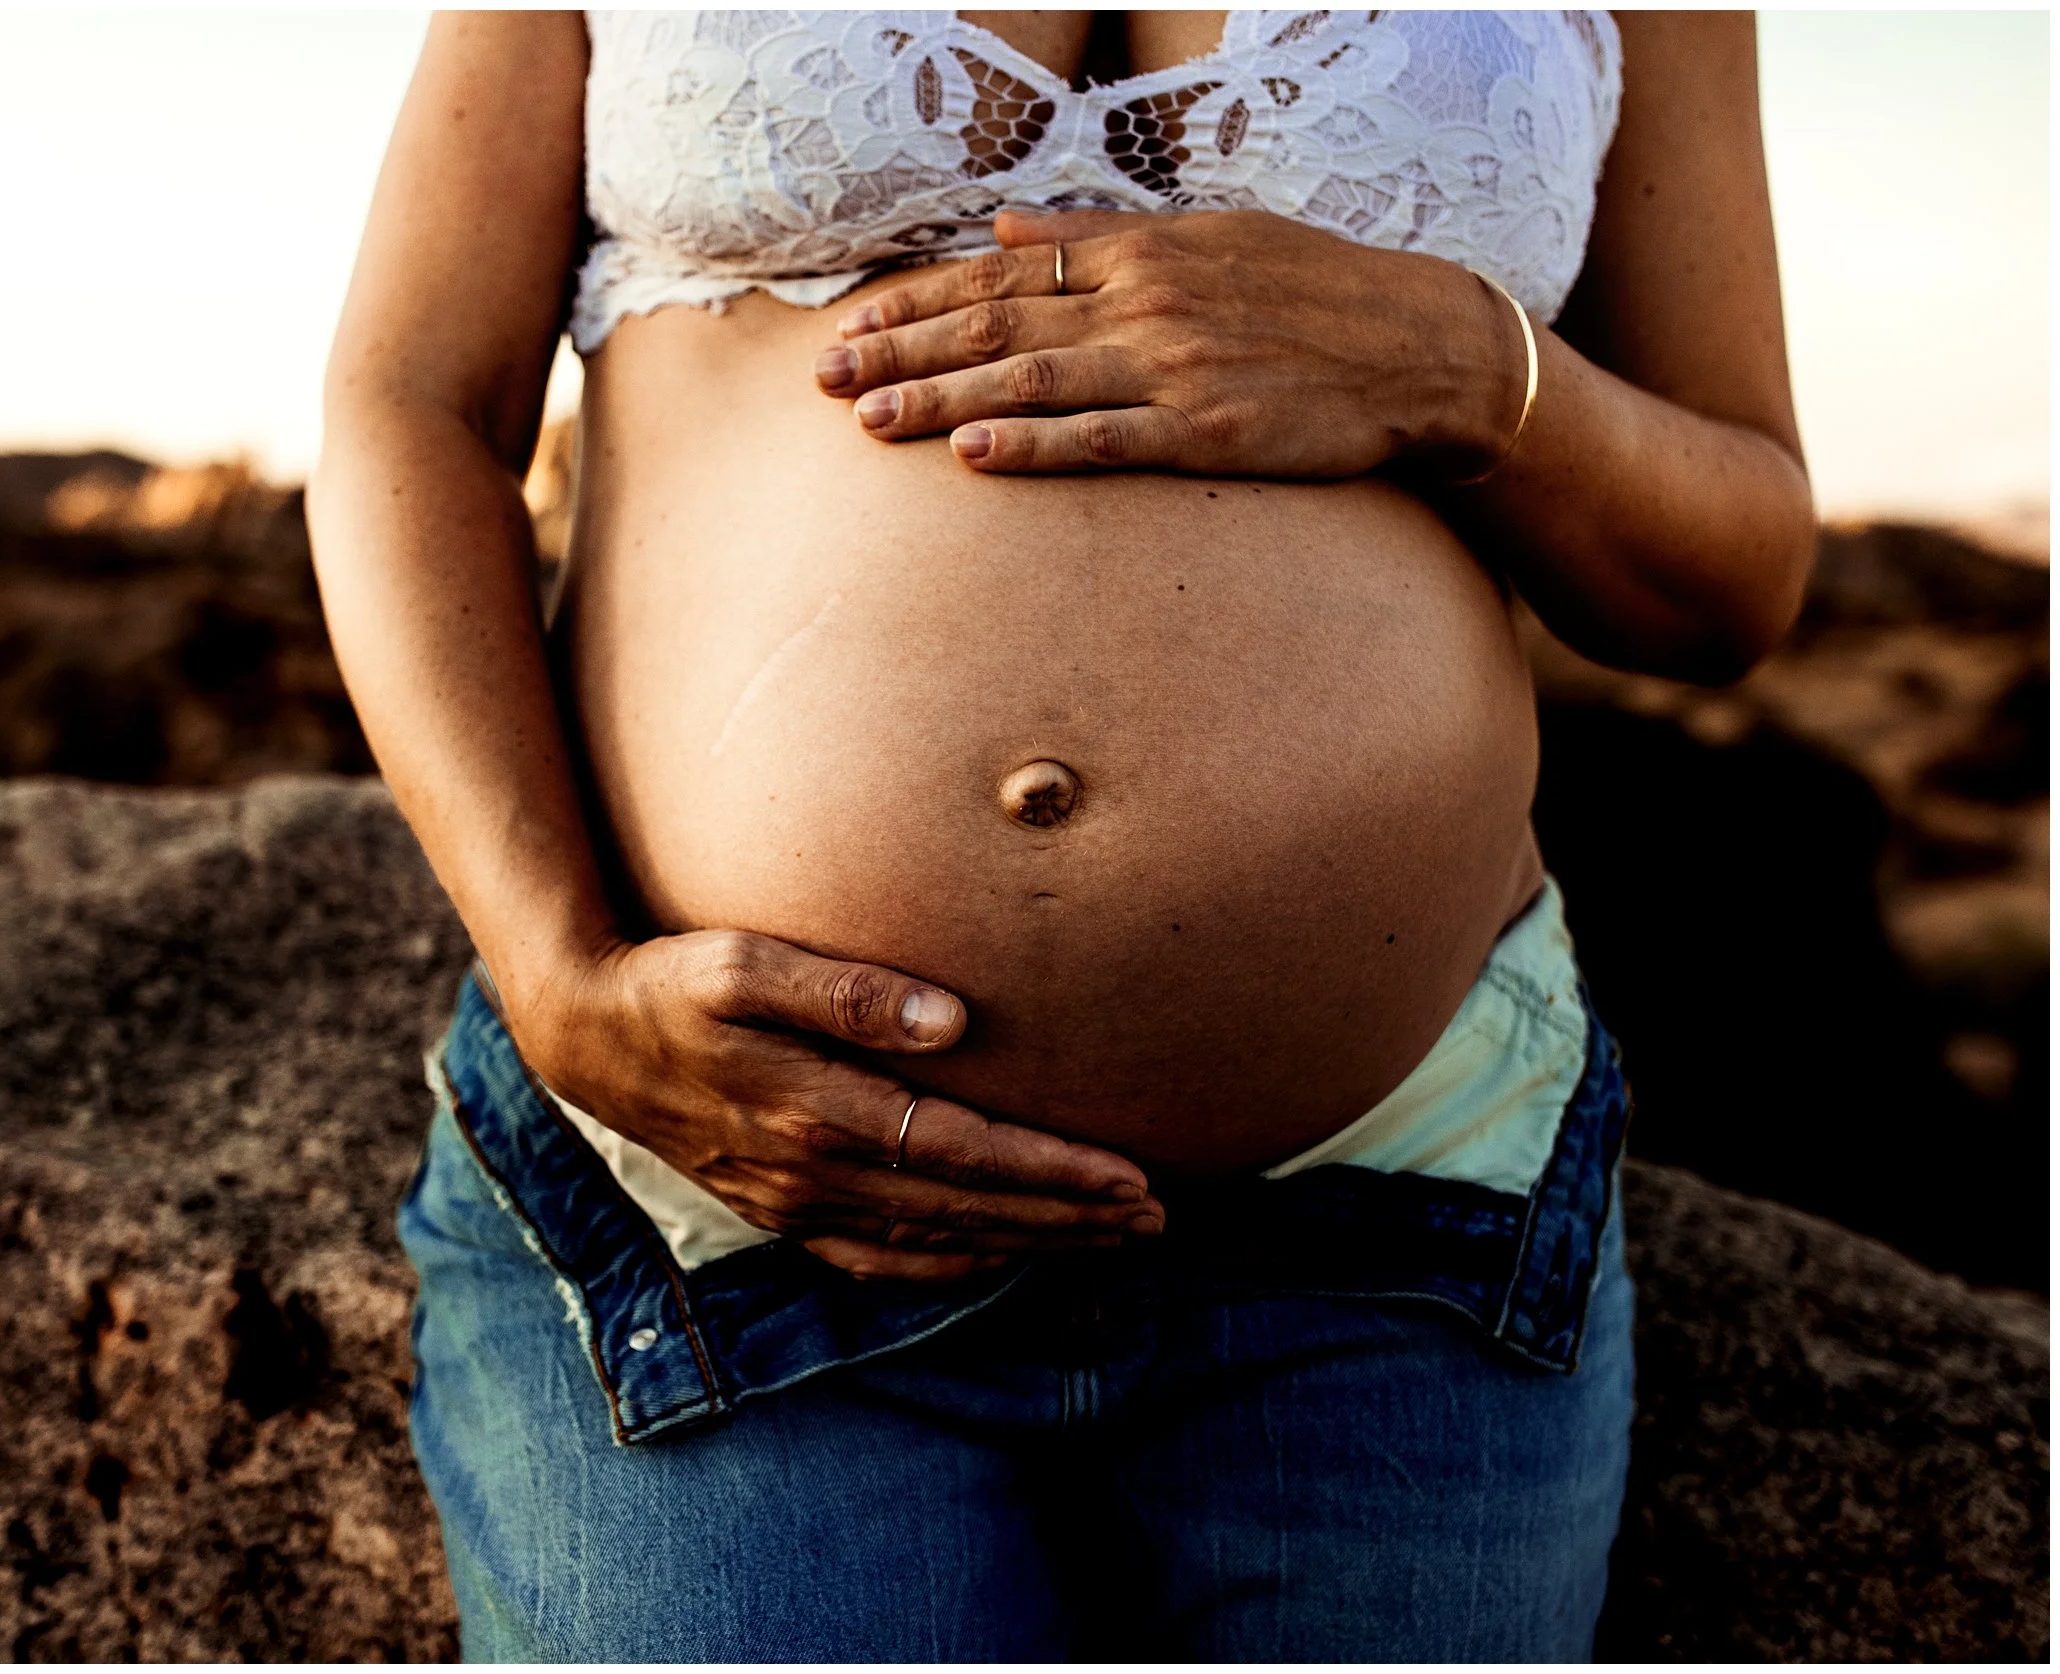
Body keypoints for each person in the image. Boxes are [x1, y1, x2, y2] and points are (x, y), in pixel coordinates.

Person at [307, 10, 1811, 1659]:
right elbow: (415, 400)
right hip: (724, 1190)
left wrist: (1465, 366)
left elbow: (1733, 570)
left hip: (1399, 1190)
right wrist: (559, 975)